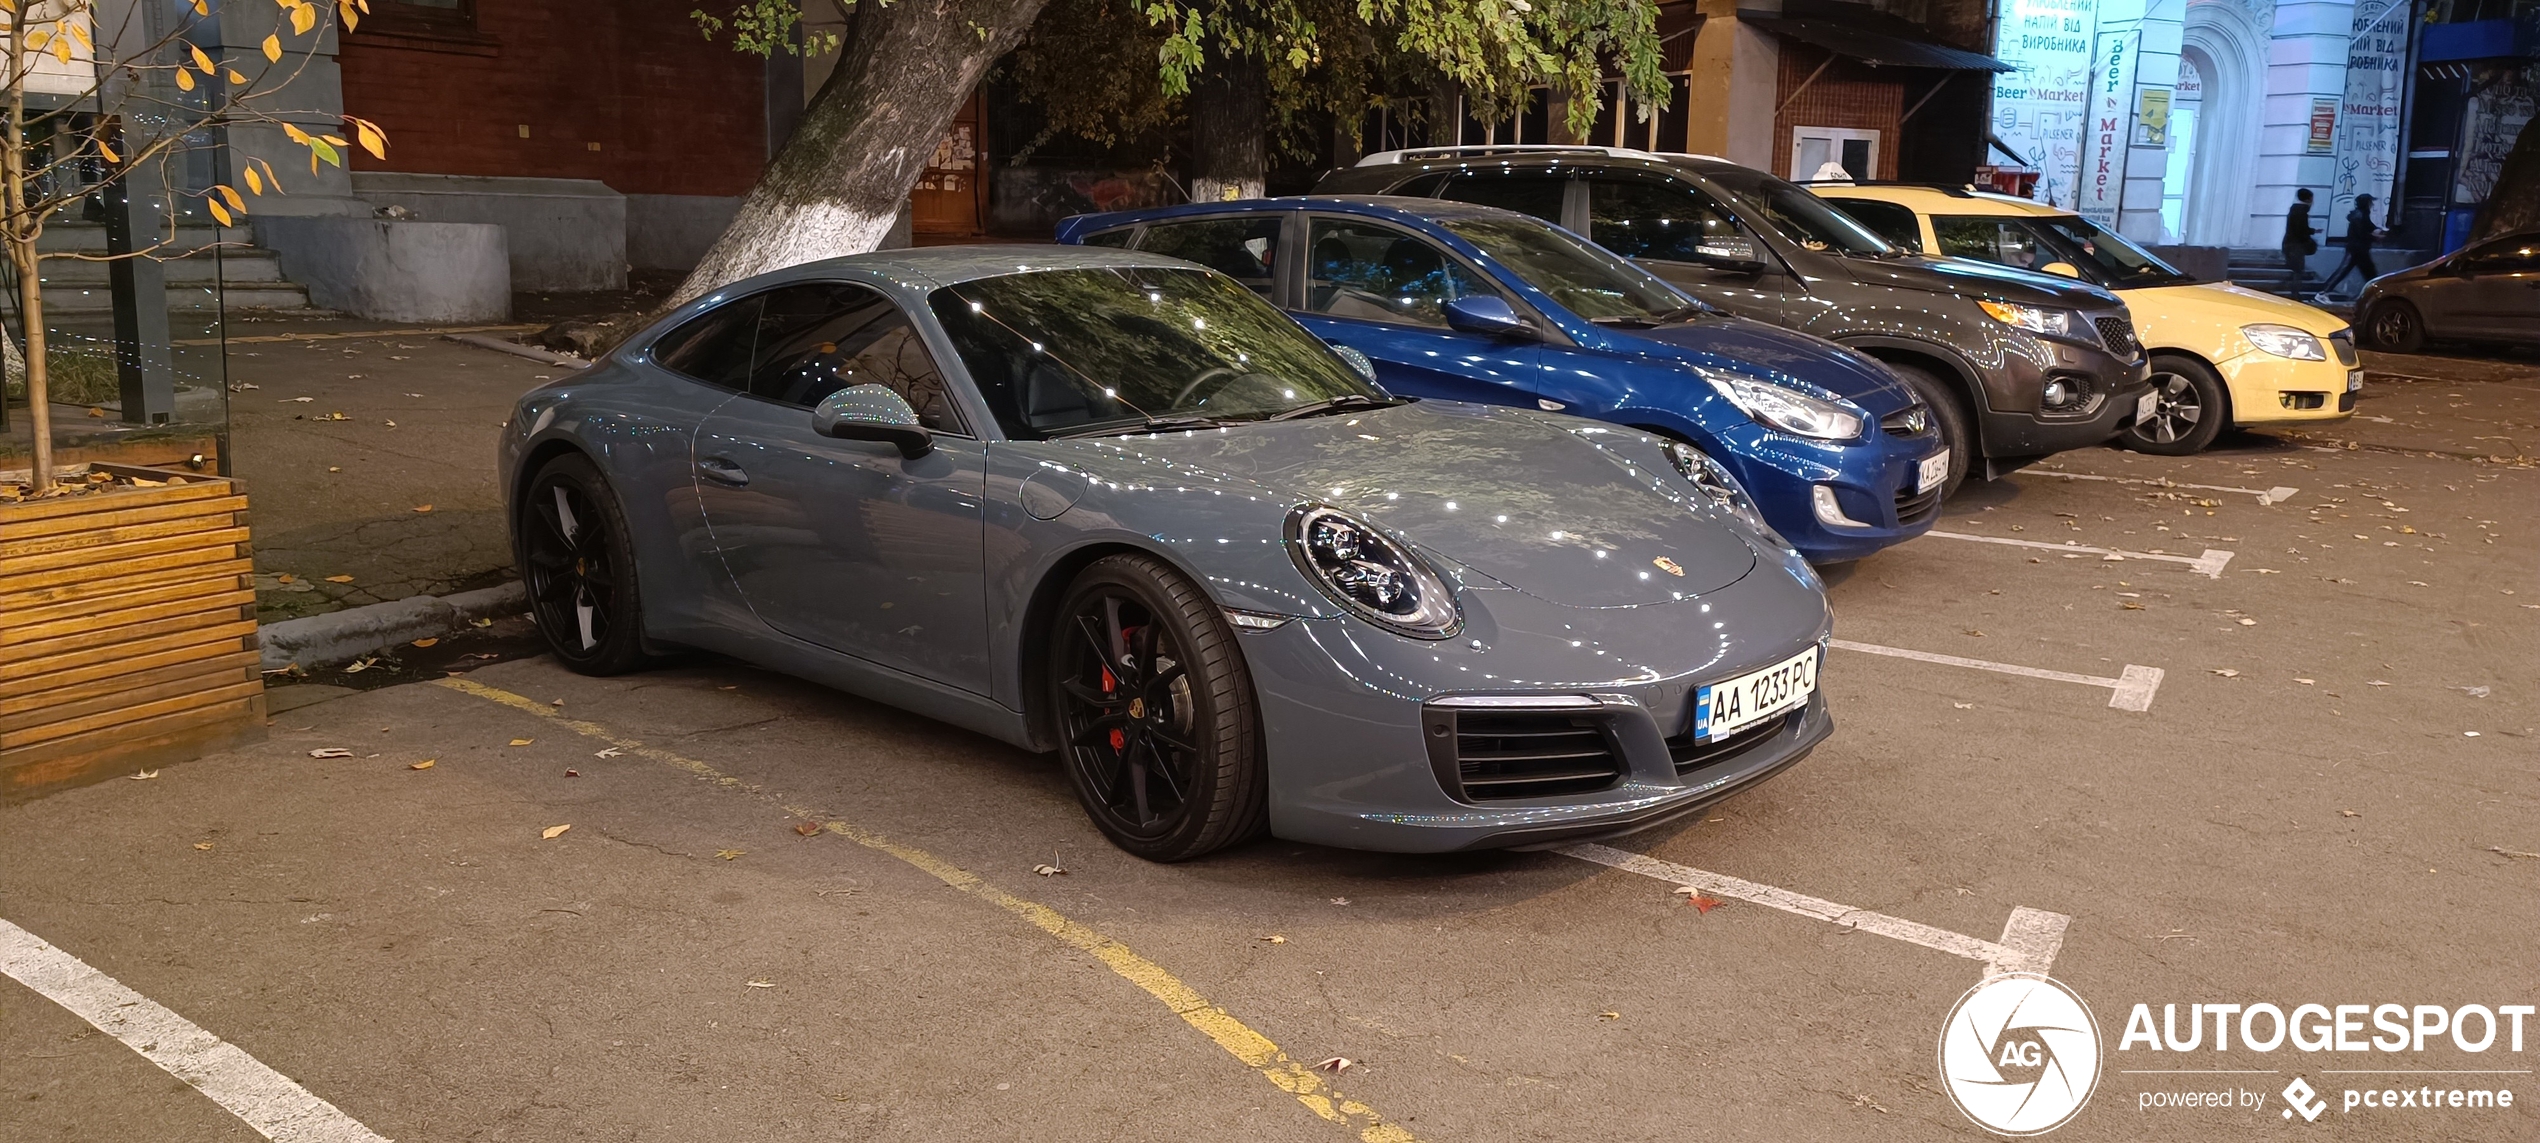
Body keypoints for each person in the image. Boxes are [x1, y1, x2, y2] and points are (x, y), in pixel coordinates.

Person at [2315, 194, 2384, 301]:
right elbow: (2362, 233)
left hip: (2358, 249)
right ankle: (2323, 293)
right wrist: (2376, 237)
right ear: (2366, 203)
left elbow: (2369, 226)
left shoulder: (2361, 214)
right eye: (2370, 202)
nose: (2372, 204)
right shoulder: (2360, 215)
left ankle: (2374, 296)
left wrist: (2379, 231)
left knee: (2366, 274)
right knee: (2364, 273)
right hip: (2357, 249)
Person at [2281, 189, 2318, 295]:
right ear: (2309, 198)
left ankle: (2293, 294)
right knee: (2298, 271)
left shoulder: (2294, 210)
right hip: (2296, 246)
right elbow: (2301, 230)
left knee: (2295, 270)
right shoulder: (2302, 212)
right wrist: (2311, 233)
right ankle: (2294, 294)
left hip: (2289, 244)